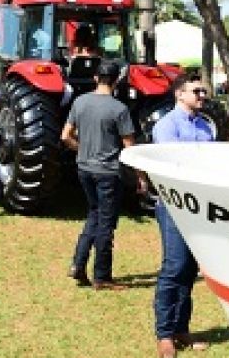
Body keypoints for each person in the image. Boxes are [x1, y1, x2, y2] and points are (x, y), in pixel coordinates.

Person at [150, 74, 213, 358]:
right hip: (174, 204)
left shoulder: (205, 126)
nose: (202, 95)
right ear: (179, 94)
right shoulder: (166, 126)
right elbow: (172, 166)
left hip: (199, 206)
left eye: (204, 91)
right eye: (196, 91)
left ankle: (181, 329)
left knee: (188, 269)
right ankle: (164, 335)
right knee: (174, 266)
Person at [60, 60, 135, 291]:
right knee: (106, 225)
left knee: (93, 215)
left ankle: (78, 264)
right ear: (117, 80)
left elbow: (65, 136)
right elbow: (129, 148)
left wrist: (81, 149)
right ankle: (102, 275)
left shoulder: (80, 102)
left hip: (84, 169)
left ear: (95, 78)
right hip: (109, 173)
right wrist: (140, 177)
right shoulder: (119, 109)